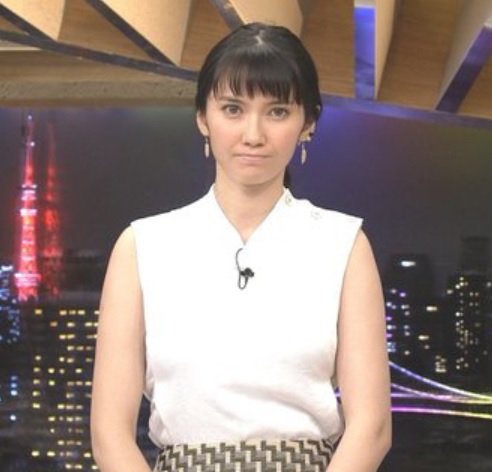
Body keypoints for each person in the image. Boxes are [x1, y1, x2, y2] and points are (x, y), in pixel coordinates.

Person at [90, 22, 391, 472]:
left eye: (277, 111)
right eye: (233, 109)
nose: (253, 134)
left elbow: (372, 427)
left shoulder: (343, 244)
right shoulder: (143, 246)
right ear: (202, 117)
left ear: (308, 123)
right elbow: (109, 434)